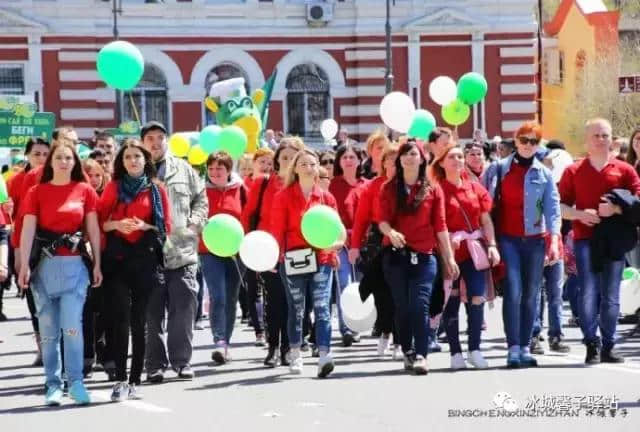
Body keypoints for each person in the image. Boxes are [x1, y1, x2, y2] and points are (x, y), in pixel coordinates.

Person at [18, 140, 102, 406]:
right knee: (49, 331)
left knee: (72, 327)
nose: (64, 162)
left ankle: (75, 382)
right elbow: (27, 230)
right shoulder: (36, 192)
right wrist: (23, 265)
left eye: (69, 158)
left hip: (75, 267)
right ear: (50, 162)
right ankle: (52, 384)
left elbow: (94, 230)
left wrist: (98, 262)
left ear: (75, 162)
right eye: (59, 158)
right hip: (44, 269)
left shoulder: (85, 190)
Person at [559, 118, 640, 364]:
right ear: (586, 140)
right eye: (596, 135)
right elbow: (560, 207)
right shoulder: (573, 170)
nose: (601, 140)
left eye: (605, 135)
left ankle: (608, 345)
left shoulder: (624, 170)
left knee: (611, 294)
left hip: (615, 239)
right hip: (585, 239)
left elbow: (637, 201)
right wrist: (581, 215)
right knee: (589, 292)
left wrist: (615, 209)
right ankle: (590, 343)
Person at [483, 121, 562, 368]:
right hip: (508, 239)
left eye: (534, 141)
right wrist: (489, 241)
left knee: (531, 295)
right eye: (524, 140)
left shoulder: (544, 174)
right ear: (515, 141)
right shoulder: (499, 169)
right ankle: (513, 347)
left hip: (536, 241)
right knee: (514, 291)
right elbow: (484, 204)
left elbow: (553, 208)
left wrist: (555, 240)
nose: (528, 145)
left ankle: (526, 346)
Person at [377, 141, 459, 374]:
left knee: (420, 305)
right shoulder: (388, 188)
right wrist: (390, 232)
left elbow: (441, 226)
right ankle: (407, 351)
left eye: (413, 154)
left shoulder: (433, 189)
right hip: (395, 256)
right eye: (404, 154)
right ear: (399, 160)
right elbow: (381, 220)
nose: (409, 158)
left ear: (422, 159)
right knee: (402, 306)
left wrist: (449, 258)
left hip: (425, 256)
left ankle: (422, 354)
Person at [99, 138, 171, 400]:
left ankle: (135, 379)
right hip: (116, 259)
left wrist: (144, 227)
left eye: (137, 157)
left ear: (145, 161)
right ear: (122, 161)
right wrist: (118, 225)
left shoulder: (156, 189)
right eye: (128, 157)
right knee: (120, 319)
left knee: (139, 320)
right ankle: (119, 379)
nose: (133, 161)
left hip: (145, 259)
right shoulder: (113, 187)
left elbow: (165, 228)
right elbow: (98, 223)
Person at [141, 121, 208, 383]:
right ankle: (155, 364)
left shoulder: (184, 168)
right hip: (147, 253)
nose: (156, 143)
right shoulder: (135, 169)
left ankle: (182, 361)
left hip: (182, 250)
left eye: (160, 137)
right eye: (150, 139)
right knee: (151, 313)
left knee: (184, 308)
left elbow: (200, 199)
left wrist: (195, 224)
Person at [272, 148, 343, 377]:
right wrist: (277, 257)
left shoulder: (326, 198)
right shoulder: (283, 197)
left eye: (312, 164)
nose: (308, 167)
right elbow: (277, 230)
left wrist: (338, 244)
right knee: (297, 308)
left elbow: (338, 228)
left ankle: (324, 355)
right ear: (295, 168)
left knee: (323, 307)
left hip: (322, 258)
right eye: (303, 164)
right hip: (294, 259)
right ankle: (295, 351)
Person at [430, 144, 500, 369]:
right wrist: (446, 249)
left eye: (460, 156)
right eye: (452, 157)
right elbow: (435, 224)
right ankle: (455, 353)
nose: (458, 160)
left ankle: (475, 349)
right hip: (447, 253)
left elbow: (485, 220)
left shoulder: (476, 188)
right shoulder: (436, 190)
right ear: (441, 162)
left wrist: (492, 245)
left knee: (477, 296)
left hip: (474, 251)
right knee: (451, 301)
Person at [241, 136, 304, 367]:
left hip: (296, 250)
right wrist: (250, 245)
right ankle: (273, 347)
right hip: (267, 250)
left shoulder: (303, 185)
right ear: (277, 160)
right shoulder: (264, 184)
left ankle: (290, 346)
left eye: (292, 157)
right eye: (284, 157)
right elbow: (248, 215)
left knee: (293, 302)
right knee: (274, 300)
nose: (288, 161)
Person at [349, 143, 400, 358]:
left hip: (403, 240)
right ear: (383, 162)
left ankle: (399, 339)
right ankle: (385, 332)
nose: (394, 162)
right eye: (390, 158)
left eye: (397, 157)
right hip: (378, 243)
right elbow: (361, 219)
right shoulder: (372, 186)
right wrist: (354, 246)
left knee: (401, 293)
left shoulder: (408, 184)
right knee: (382, 293)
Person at [199, 151, 248, 364]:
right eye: (211, 169)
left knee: (231, 296)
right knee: (217, 295)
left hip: (237, 251)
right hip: (209, 250)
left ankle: (226, 343)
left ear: (229, 170)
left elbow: (250, 215)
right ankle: (219, 341)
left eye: (219, 168)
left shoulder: (242, 189)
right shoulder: (200, 191)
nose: (214, 173)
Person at [4, 137, 50, 353]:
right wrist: (18, 251)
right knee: (33, 295)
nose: (41, 159)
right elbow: (14, 218)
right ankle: (41, 346)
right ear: (27, 156)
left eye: (44, 154)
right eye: (36, 154)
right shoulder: (17, 180)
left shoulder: (59, 175)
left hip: (53, 242)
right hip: (26, 242)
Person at [329, 143, 368, 346]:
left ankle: (358, 323)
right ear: (339, 162)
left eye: (352, 157)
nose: (348, 161)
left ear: (359, 161)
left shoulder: (366, 185)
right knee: (344, 283)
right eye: (344, 157)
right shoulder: (333, 185)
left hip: (364, 244)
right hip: (340, 243)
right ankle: (346, 328)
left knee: (361, 286)